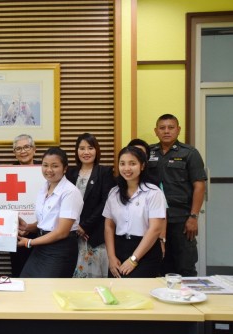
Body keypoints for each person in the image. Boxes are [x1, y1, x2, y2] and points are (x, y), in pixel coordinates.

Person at [148, 114, 207, 276]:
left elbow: (199, 186)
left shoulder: (190, 153)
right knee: (159, 265)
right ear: (156, 131)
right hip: (155, 219)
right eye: (162, 128)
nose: (166, 131)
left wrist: (193, 217)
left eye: (171, 127)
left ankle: (190, 299)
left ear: (178, 130)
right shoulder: (149, 152)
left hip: (181, 219)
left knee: (185, 265)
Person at [18, 147, 83, 278]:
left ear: (65, 168)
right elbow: (47, 221)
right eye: (45, 165)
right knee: (28, 284)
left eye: (55, 166)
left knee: (48, 292)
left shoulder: (70, 192)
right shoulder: (44, 187)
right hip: (41, 246)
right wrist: (28, 227)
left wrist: (29, 242)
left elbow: (62, 232)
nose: (49, 170)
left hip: (60, 250)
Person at [104, 146, 167, 278]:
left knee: (139, 294)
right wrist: (111, 257)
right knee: (116, 294)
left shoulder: (153, 192)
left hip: (145, 250)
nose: (127, 168)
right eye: (122, 163)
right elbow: (109, 226)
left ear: (142, 166)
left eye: (132, 163)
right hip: (119, 249)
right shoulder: (114, 192)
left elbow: (155, 229)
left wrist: (134, 259)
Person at [65, 133, 115, 278]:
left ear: (96, 150)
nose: (86, 152)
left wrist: (85, 226)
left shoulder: (104, 172)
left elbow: (106, 203)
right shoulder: (69, 173)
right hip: (72, 232)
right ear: (76, 151)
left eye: (90, 148)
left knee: (94, 277)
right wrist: (75, 225)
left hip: (93, 233)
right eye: (81, 148)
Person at [10, 134, 40, 277]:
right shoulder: (7, 172)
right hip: (15, 233)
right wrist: (19, 228)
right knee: (19, 273)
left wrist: (31, 226)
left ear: (34, 149)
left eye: (26, 147)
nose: (23, 151)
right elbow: (4, 204)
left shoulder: (45, 170)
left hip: (40, 232)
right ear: (14, 153)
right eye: (18, 148)